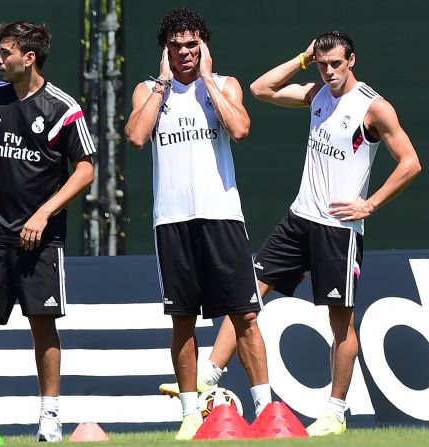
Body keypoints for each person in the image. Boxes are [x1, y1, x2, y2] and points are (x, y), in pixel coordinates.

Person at [161, 30, 422, 437]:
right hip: (299, 220)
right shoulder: (317, 93)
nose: (330, 71)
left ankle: (335, 413)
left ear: (352, 59)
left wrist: (369, 204)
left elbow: (410, 163)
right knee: (246, 295)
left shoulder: (373, 108)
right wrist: (303, 58)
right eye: (323, 64)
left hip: (339, 229)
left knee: (341, 324)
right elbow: (262, 89)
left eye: (336, 63)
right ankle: (209, 377)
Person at [124, 8, 272, 440]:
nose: (184, 52)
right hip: (171, 221)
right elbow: (135, 136)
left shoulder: (224, 85)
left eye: (192, 45)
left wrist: (207, 79)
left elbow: (241, 129)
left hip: (222, 216)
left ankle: (264, 409)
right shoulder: (150, 90)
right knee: (182, 318)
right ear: (165, 50)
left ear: (203, 47)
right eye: (176, 46)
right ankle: (190, 413)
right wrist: (165, 85)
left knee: (244, 315)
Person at [0, 21, 95, 442]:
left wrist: (43, 215)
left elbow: (85, 170)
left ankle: (49, 417)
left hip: (41, 238)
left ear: (28, 58)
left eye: (5, 53)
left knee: (42, 323)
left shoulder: (62, 108)